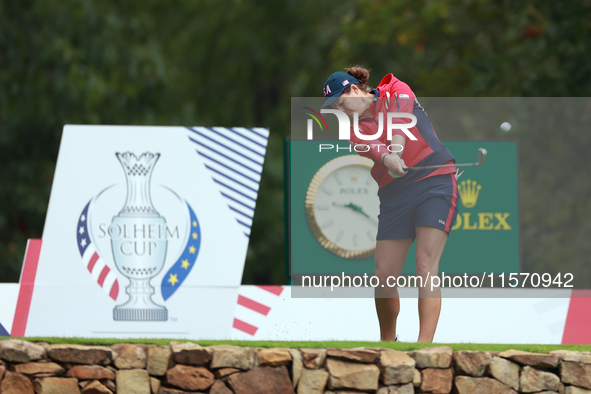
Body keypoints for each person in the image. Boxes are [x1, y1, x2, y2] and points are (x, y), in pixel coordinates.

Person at [322, 66, 459, 342]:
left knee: (425, 265)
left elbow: (400, 122)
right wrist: (390, 160)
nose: (341, 111)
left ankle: (424, 349)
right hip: (395, 193)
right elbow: (376, 150)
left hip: (435, 180)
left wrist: (396, 151)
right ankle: (388, 345)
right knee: (384, 276)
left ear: (354, 90)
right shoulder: (354, 131)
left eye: (341, 103)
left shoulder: (396, 87)